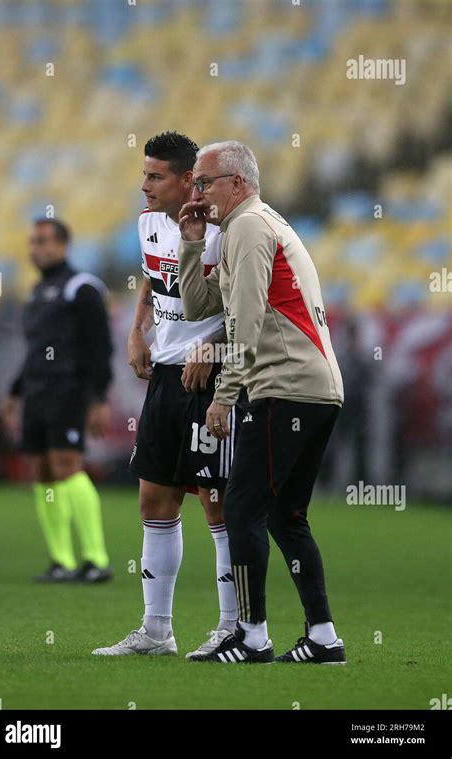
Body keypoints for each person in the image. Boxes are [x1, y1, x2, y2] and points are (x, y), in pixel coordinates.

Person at [177, 141, 346, 664]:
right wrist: (190, 241)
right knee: (286, 517)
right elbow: (199, 305)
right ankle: (323, 637)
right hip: (316, 389)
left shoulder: (249, 228)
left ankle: (252, 637)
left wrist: (224, 398)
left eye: (204, 182)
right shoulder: (252, 226)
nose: (196, 192)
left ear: (238, 182)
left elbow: (244, 325)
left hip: (284, 386)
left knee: (245, 507)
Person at [92, 132, 240, 659]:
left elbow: (250, 305)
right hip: (166, 377)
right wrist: (138, 331)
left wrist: (216, 346)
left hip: (213, 379)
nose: (144, 186)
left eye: (155, 177)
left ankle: (232, 628)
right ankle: (156, 631)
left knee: (218, 505)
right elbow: (154, 281)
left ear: (185, 180)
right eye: (143, 174)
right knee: (155, 500)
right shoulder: (148, 222)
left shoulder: (224, 230)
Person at [1, 218, 113, 583]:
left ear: (63, 245)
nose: (36, 248)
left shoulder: (81, 288)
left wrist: (98, 397)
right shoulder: (36, 292)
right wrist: (15, 392)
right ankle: (62, 560)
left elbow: (101, 347)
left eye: (43, 242)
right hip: (36, 392)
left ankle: (96, 559)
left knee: (67, 465)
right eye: (33, 242)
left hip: (68, 389)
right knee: (42, 471)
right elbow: (35, 351)